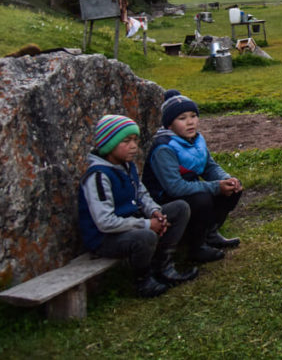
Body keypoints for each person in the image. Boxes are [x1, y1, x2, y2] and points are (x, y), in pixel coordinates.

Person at [78, 115, 198, 298]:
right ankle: (143, 280)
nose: (134, 146)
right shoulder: (98, 176)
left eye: (135, 140)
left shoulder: (127, 166)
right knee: (145, 236)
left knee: (180, 208)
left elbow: (141, 194)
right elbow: (105, 222)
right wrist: (147, 224)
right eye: (126, 141)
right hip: (105, 238)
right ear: (109, 145)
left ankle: (164, 265)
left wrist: (155, 212)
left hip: (132, 223)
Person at [142, 91, 243, 263]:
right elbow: (174, 187)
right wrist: (215, 186)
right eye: (182, 118)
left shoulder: (195, 139)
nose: (190, 122)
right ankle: (196, 247)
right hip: (165, 199)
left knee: (233, 188)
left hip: (188, 189)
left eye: (193, 116)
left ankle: (210, 233)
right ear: (169, 125)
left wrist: (227, 179)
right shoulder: (164, 148)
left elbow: (209, 166)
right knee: (202, 199)